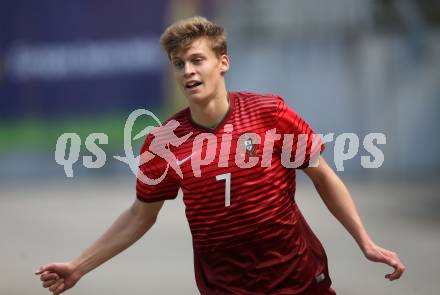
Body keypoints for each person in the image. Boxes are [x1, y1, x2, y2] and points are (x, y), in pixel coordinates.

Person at [35, 16, 405, 295]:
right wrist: (79, 266)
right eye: (178, 64)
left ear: (222, 62)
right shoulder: (163, 141)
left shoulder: (270, 113)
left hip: (300, 279)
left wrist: (365, 242)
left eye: (197, 59)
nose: (188, 71)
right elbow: (138, 215)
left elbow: (323, 175)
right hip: (225, 289)